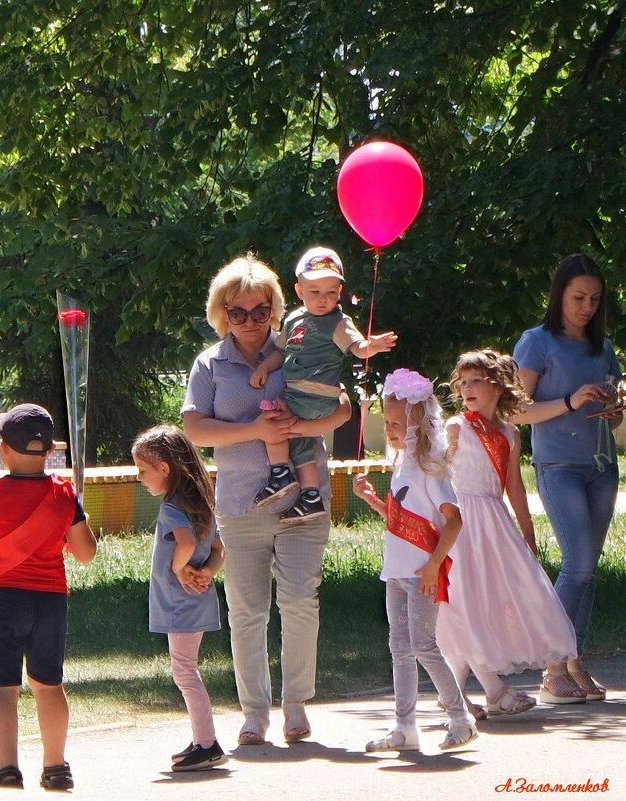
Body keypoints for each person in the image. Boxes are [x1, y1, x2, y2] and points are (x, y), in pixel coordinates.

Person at [182, 253, 352, 747]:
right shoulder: (209, 363)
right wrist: (253, 429)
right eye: (239, 313)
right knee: (247, 610)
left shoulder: (301, 344)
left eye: (260, 311)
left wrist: (302, 427)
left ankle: (296, 705)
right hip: (240, 504)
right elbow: (194, 427)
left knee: (301, 602)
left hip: (305, 500)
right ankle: (255, 713)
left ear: (277, 309)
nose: (251, 321)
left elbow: (342, 406)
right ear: (222, 314)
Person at [0, 403, 97, 790]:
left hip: (1, 601)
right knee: (48, 685)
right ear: (49, 452)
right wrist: (78, 516)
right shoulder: (64, 495)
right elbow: (85, 553)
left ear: (3, 450)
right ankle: (56, 767)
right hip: (49, 602)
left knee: (2, 686)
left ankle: (8, 769)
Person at [437, 349, 580, 714]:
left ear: (498, 386)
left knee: (491, 601)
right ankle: (460, 691)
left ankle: (471, 692)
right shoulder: (457, 427)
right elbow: (439, 473)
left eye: (476, 381)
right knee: (463, 602)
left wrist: (527, 534)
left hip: (494, 523)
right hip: (462, 521)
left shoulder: (510, 432)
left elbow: (514, 486)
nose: (467, 389)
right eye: (463, 382)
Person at [513, 253, 622, 703]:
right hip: (557, 466)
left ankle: (573, 664)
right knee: (577, 564)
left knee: (588, 571)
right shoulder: (535, 342)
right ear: (559, 295)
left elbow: (609, 422)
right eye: (578, 297)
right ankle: (551, 667)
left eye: (595, 299)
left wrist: (611, 410)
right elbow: (517, 409)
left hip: (602, 466)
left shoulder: (604, 348)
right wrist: (572, 401)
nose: (587, 307)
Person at [352, 368, 477, 752]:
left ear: (417, 425)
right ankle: (404, 727)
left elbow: (453, 522)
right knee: (399, 648)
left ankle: (461, 717)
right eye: (386, 422)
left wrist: (434, 564)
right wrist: (373, 501)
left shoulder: (431, 469)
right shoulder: (402, 466)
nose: (388, 429)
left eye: (394, 423)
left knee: (423, 646)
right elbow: (400, 519)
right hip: (397, 571)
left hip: (423, 573)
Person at [250, 246, 396, 521]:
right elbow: (280, 352)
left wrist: (371, 346)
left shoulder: (338, 323)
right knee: (301, 442)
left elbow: (357, 348)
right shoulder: (293, 319)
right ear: (299, 291)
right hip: (299, 393)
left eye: (331, 292)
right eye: (315, 291)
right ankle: (310, 496)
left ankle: (280, 472)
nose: (323, 299)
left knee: (274, 419)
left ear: (339, 293)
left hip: (317, 395)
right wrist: (263, 367)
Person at [131, 425, 227, 772]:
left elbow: (185, 544)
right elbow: (219, 550)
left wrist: (179, 568)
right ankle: (202, 738)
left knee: (185, 672)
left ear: (164, 469)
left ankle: (207, 744)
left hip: (180, 603)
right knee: (187, 670)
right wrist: (208, 572)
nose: (140, 478)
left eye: (143, 470)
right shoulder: (200, 503)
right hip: (196, 599)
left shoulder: (173, 508)